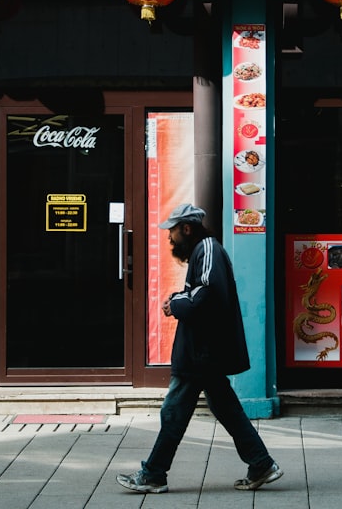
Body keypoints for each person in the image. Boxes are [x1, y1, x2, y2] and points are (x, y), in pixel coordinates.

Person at [116, 203, 283, 494]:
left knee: (174, 412)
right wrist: (179, 297)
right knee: (225, 409)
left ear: (187, 228)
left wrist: (176, 304)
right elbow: (201, 290)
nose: (170, 238)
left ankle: (154, 474)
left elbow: (206, 293)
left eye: (173, 231)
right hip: (204, 352)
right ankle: (261, 464)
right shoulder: (204, 250)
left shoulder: (207, 250)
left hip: (200, 353)